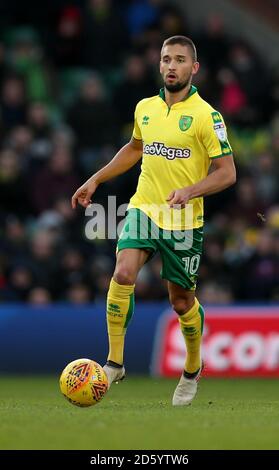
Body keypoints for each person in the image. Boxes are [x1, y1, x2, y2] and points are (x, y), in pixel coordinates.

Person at [71, 35, 236, 406]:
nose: (171, 65)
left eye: (180, 60)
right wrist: (96, 178)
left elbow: (227, 173)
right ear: (159, 65)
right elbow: (134, 148)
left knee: (181, 302)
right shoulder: (145, 107)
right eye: (166, 59)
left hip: (183, 222)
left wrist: (191, 190)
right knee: (123, 273)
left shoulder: (207, 116)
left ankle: (192, 367)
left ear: (193, 68)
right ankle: (114, 362)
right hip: (145, 208)